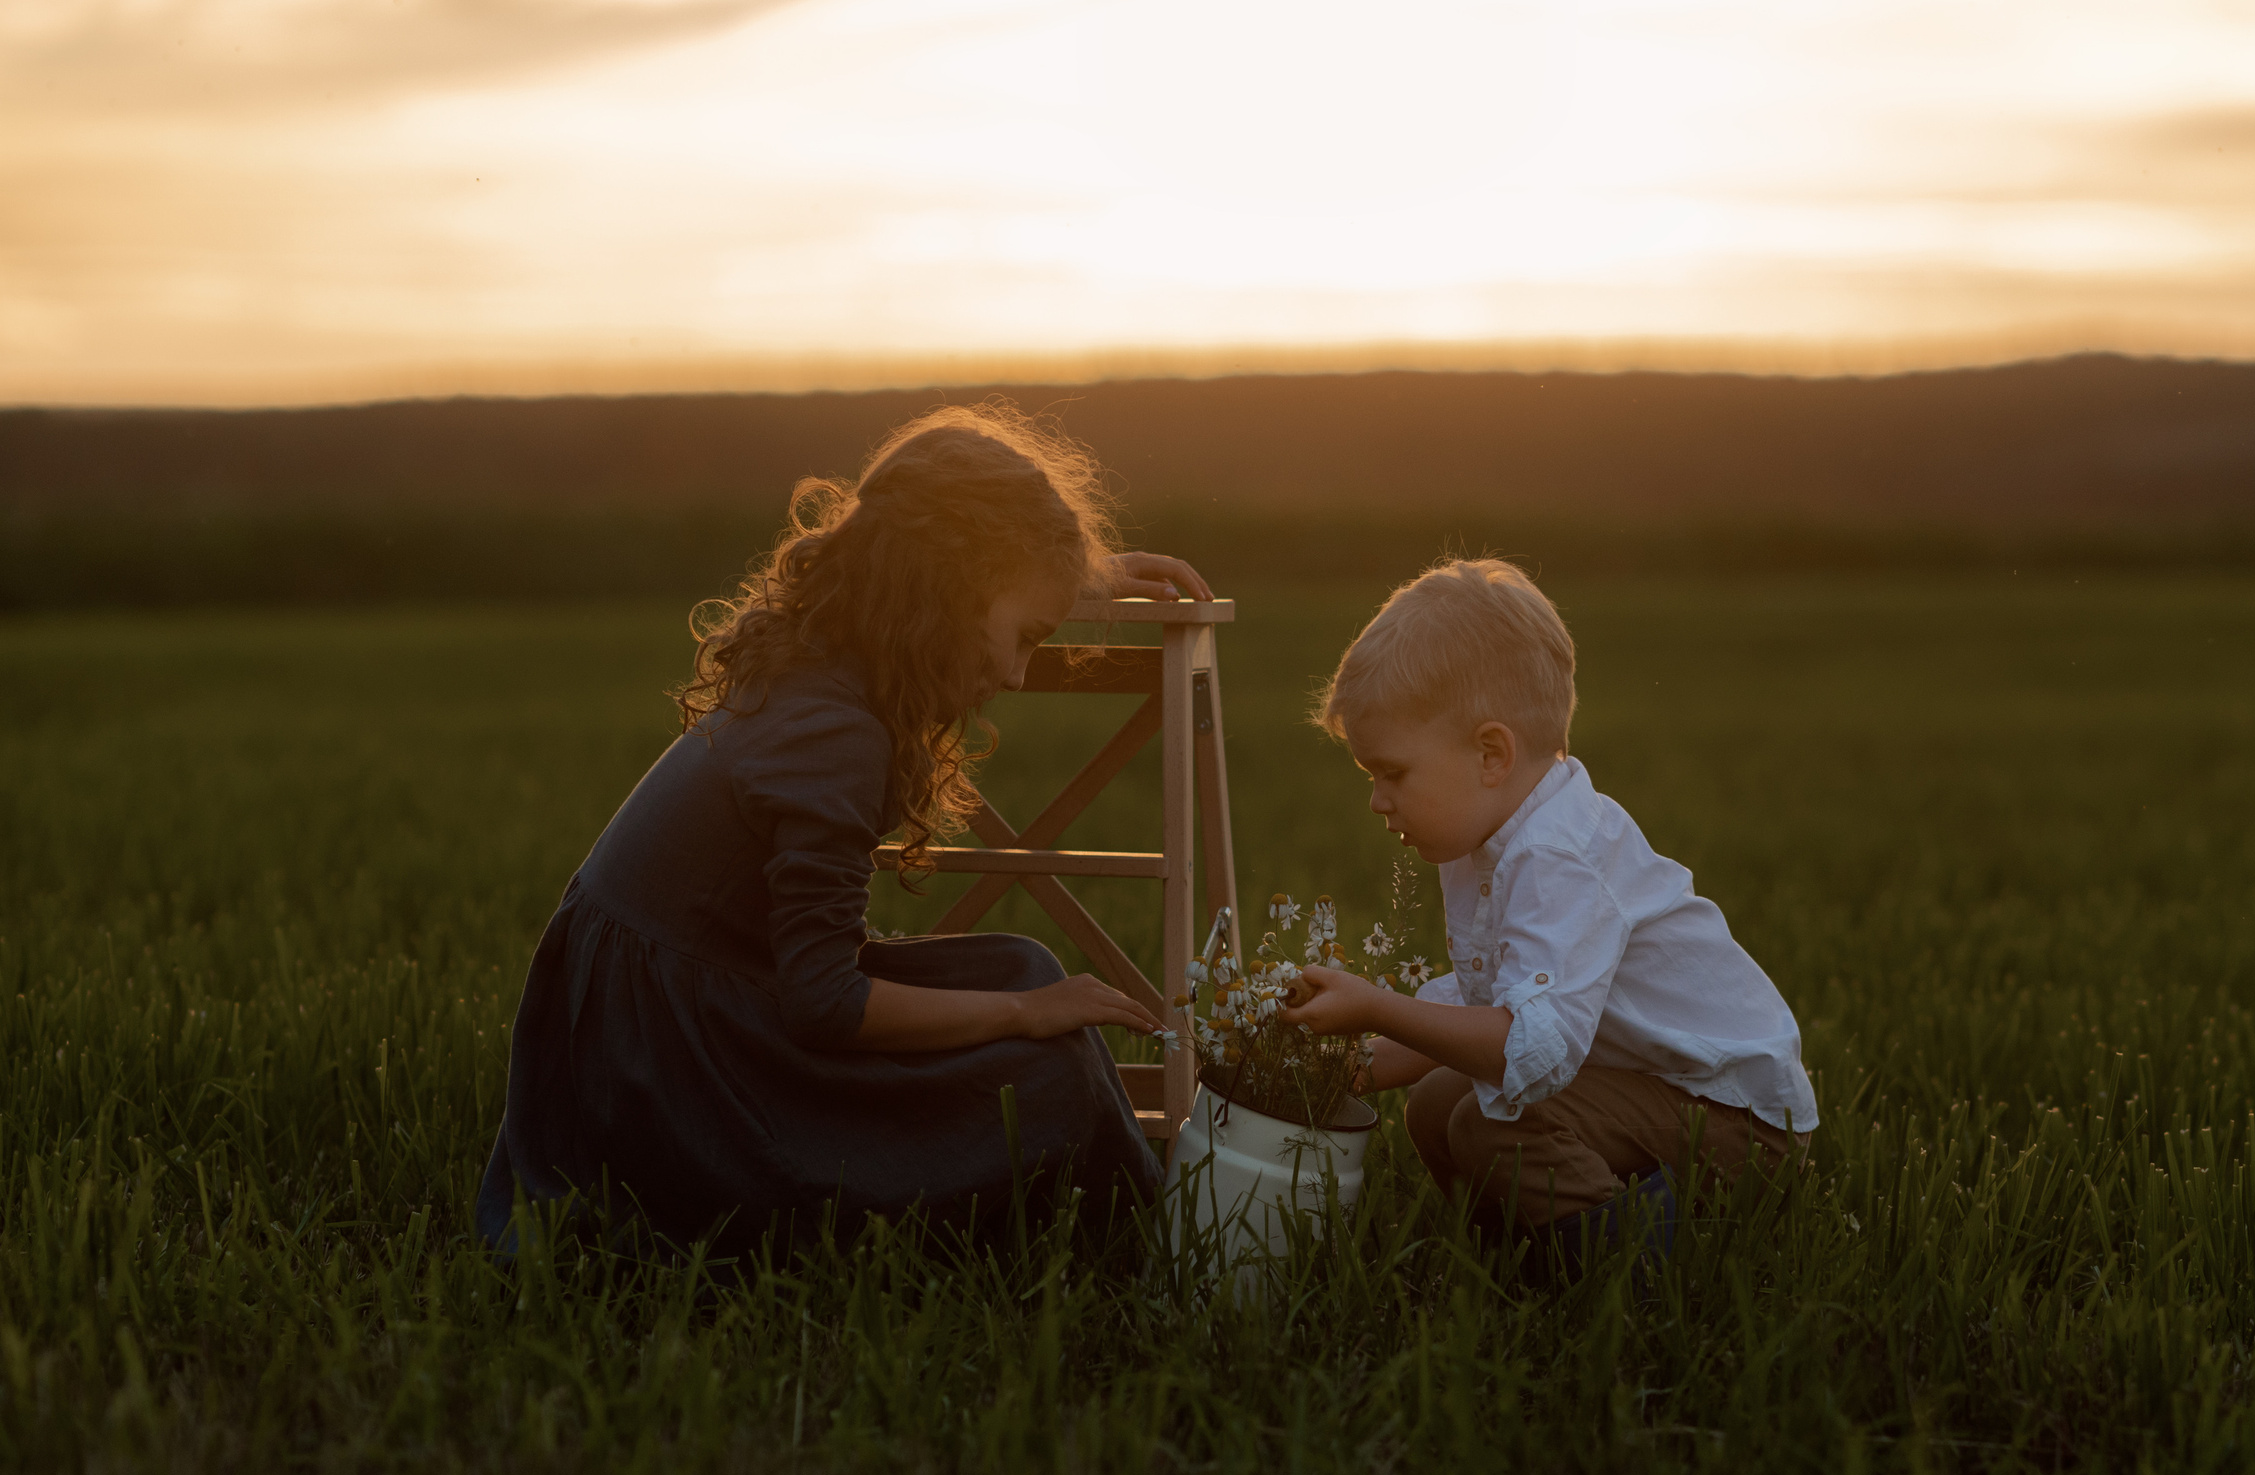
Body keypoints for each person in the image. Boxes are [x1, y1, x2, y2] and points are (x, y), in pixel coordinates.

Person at [475, 403, 1204, 1257]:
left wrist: (1085, 574)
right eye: (1024, 637)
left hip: (702, 1005)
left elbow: (973, 568)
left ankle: (1155, 1227)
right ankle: (1167, 1255)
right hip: (670, 1080)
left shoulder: (833, 654)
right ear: (945, 593)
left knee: (1020, 963)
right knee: (1042, 1061)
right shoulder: (835, 732)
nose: (1014, 673)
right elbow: (826, 1004)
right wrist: (1023, 1015)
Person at [1280, 558, 1817, 1246]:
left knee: (1487, 1121)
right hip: (1652, 1089)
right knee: (1436, 1101)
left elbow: (1532, 1050)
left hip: (1741, 1124)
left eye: (1393, 772)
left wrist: (1377, 1006)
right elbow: (1487, 1003)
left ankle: (1639, 1268)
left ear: (1491, 755)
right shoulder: (1489, 835)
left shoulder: (1557, 854)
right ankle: (1519, 1252)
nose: (1377, 798)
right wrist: (1357, 1061)